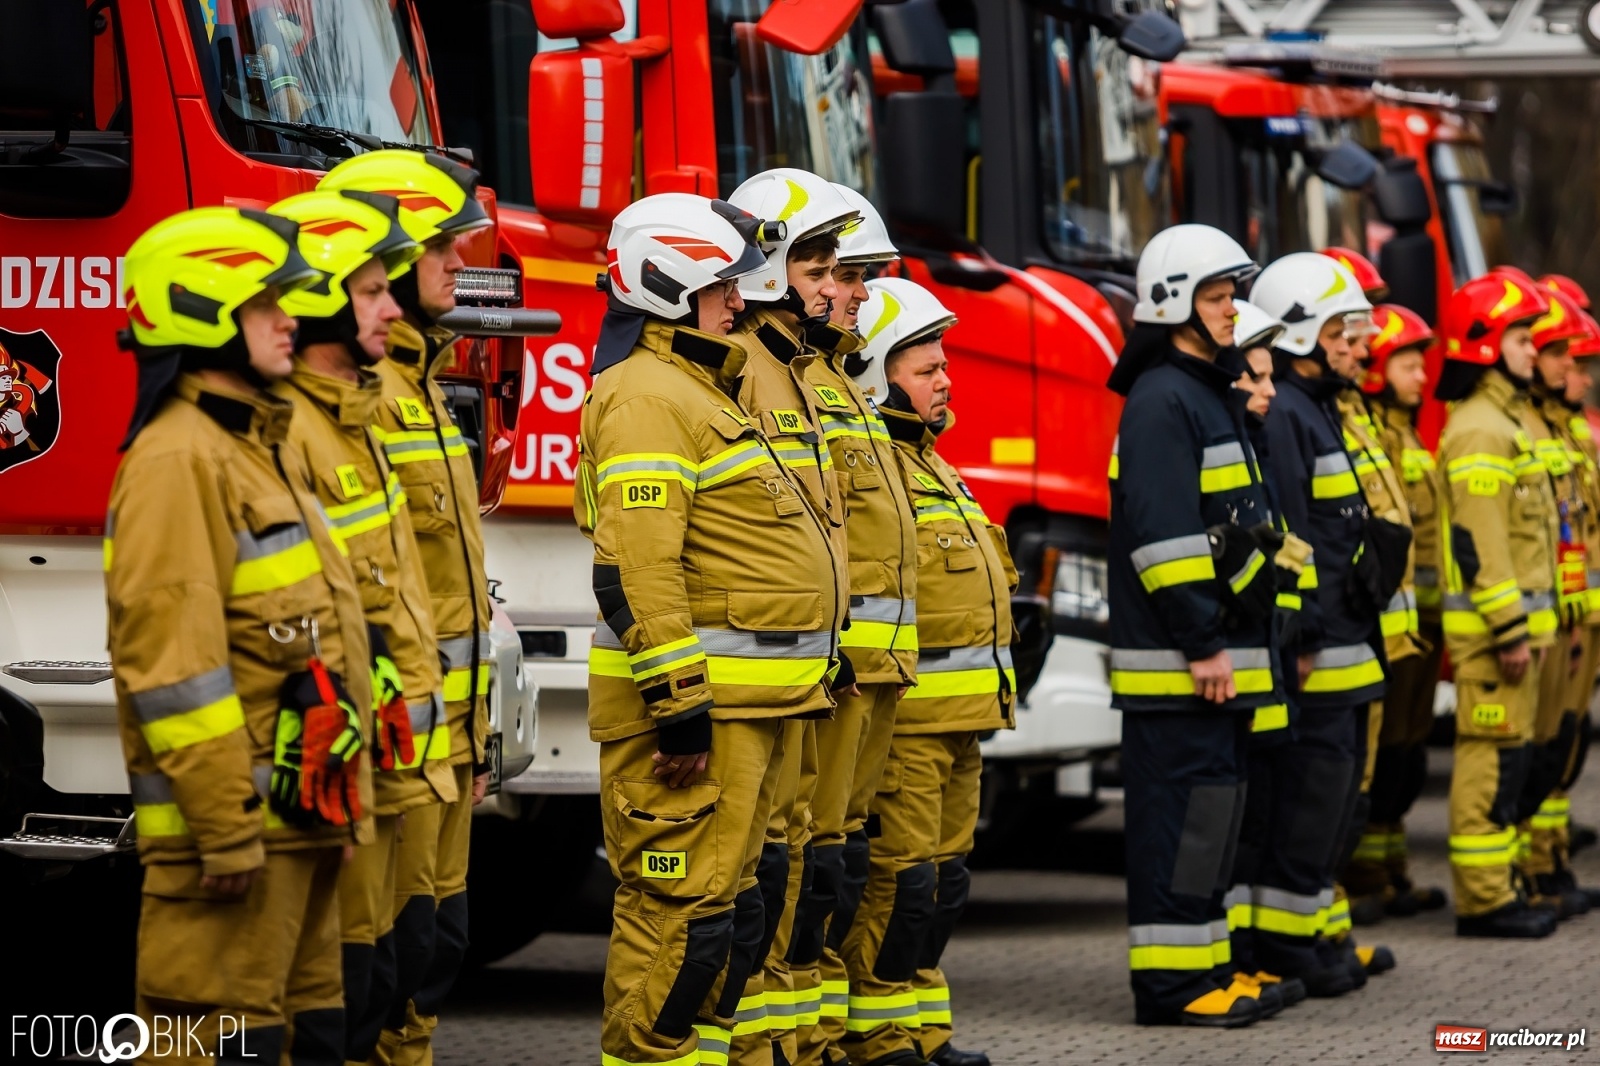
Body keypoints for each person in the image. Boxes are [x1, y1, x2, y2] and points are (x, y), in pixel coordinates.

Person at [575, 191, 838, 1066]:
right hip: (696, 719)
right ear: (674, 285)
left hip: (744, 709)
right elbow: (637, 568)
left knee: (724, 918)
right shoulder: (650, 397)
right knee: (677, 923)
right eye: (724, 284)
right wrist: (679, 704)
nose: (740, 299)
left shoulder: (694, 386)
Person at [107, 205, 371, 1062]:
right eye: (269, 304)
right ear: (203, 312)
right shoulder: (179, 460)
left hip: (299, 825)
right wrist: (223, 828)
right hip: (235, 845)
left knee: (310, 1039)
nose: (291, 319)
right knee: (216, 1047)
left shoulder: (256, 441)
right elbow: (175, 670)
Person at [267, 188, 455, 1062]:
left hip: (402, 762)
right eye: (372, 290)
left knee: (392, 971)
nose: (391, 305)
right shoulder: (296, 431)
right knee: (332, 1003)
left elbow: (404, 598)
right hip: (341, 773)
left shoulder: (361, 417)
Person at [318, 148, 496, 1065]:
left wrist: (471, 742)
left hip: (444, 748)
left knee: (430, 951)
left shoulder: (419, 387)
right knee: (370, 972)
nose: (462, 270)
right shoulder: (366, 401)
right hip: (391, 753)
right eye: (443, 253)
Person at [1105, 224, 1279, 1028]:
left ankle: (1209, 966)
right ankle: (1171, 989)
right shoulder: (1162, 400)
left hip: (1214, 664)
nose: (1232, 310)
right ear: (1173, 302)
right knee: (1179, 826)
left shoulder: (1205, 391)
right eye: (1217, 297)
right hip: (1181, 668)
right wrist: (1203, 643)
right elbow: (1165, 539)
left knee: (1210, 821)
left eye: (1233, 295)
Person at [843, 277, 1015, 1065]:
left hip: (962, 726)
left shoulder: (936, 466)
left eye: (944, 366)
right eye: (925, 368)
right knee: (900, 885)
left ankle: (924, 1030)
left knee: (943, 888)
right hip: (909, 727)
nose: (945, 379)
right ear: (876, 378)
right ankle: (880, 1038)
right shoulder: (878, 472)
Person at [725, 166, 858, 1066]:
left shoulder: (796, 370)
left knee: (795, 869)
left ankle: (787, 1053)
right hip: (754, 672)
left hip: (805, 666)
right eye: (817, 266)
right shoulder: (755, 371)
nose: (835, 286)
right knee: (758, 877)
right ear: (769, 268)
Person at [790, 185, 920, 1066]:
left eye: (857, 274)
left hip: (863, 668)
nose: (856, 292)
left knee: (830, 866)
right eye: (834, 272)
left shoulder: (830, 379)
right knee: (799, 868)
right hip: (820, 669)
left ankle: (822, 1038)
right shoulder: (793, 380)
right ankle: (798, 1041)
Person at [1249, 253, 1388, 994]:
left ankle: (1316, 937)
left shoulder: (1314, 409)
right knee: (1307, 809)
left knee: (1333, 808)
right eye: (1344, 330)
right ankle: (1290, 949)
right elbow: (1294, 539)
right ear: (1301, 333)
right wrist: (1302, 637)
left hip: (1346, 648)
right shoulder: (1293, 418)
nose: (1359, 345)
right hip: (1319, 654)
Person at [1433, 272, 1561, 938]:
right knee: (1488, 762)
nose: (1530, 350)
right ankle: (1483, 900)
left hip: (1514, 637)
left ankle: (1503, 885)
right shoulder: (1483, 430)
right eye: (1519, 337)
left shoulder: (1504, 419)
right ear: (1484, 342)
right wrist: (1511, 628)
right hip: (1494, 640)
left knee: (1509, 762)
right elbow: (1482, 546)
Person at [1343, 303, 1450, 919]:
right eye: (1410, 364)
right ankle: (1361, 872)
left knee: (1405, 756)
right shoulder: (1375, 430)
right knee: (1378, 758)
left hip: (1419, 623)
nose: (1422, 377)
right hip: (1387, 624)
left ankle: (1388, 867)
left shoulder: (1405, 431)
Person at [1220, 300, 1311, 1017]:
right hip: (1238, 669)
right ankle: (1230, 959)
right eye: (1255, 378)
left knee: (1254, 820)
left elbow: (1283, 547)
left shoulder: (1255, 444)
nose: (1269, 391)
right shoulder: (1230, 444)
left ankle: (1244, 958)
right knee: (1230, 826)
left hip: (1268, 661)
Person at [1520, 290, 1597, 918]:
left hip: (1577, 612)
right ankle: (1533, 863)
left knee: (1564, 741)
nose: (1581, 374)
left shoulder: (1563, 427)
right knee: (1540, 742)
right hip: (1556, 615)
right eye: (1567, 360)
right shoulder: (1523, 427)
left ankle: (1548, 855)